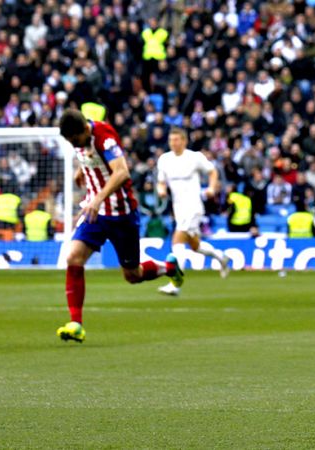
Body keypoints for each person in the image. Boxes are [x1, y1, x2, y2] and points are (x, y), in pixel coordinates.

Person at [56, 109, 184, 343]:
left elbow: (122, 172)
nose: (75, 145)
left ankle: (169, 268)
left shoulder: (104, 136)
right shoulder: (80, 137)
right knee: (73, 257)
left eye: (76, 141)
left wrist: (98, 197)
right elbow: (89, 155)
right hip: (95, 213)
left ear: (85, 129)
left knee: (132, 275)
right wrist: (80, 171)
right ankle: (76, 323)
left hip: (121, 214)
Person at [156, 128, 231, 296]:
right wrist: (161, 190)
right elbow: (161, 181)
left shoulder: (194, 157)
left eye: (177, 140)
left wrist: (212, 187)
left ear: (184, 141)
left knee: (177, 240)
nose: (174, 143)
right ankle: (221, 257)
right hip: (178, 208)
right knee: (195, 245)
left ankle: (175, 284)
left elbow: (213, 171)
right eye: (171, 140)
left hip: (194, 206)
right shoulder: (164, 159)